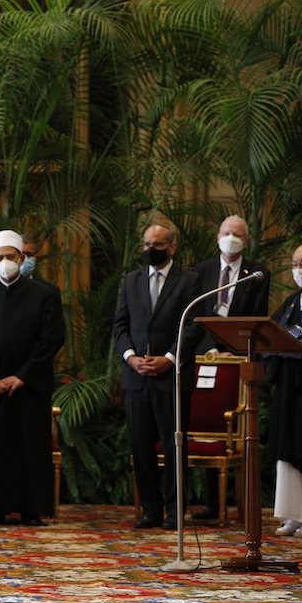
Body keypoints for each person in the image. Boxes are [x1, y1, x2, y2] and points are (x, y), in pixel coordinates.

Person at [0, 230, 65, 526]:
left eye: (11, 257)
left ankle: (30, 508)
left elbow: (53, 337)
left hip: (27, 387)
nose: (5, 262)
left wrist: (22, 376)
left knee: (28, 447)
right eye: (0, 257)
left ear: (22, 259)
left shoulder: (45, 293)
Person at [113, 224, 200, 530]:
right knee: (140, 444)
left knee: (174, 443)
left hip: (171, 377)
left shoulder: (190, 280)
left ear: (171, 247)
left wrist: (169, 359)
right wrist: (131, 357)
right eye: (147, 243)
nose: (151, 248)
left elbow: (193, 326)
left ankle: (175, 511)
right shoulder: (130, 280)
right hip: (137, 378)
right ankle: (150, 509)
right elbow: (120, 326)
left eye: (158, 244)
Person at [189, 215, 270, 521]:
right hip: (204, 358)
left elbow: (255, 317)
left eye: (237, 234)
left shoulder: (257, 273)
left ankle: (244, 505)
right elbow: (197, 313)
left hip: (237, 359)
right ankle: (212, 503)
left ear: (246, 241)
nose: (231, 237)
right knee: (209, 427)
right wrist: (208, 348)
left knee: (238, 431)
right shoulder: (201, 270)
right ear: (217, 236)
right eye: (226, 232)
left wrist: (228, 348)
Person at [268, 243, 302, 537]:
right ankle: (292, 515)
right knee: (287, 447)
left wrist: (300, 352)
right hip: (289, 385)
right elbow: (271, 331)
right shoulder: (289, 303)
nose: (299, 269)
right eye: (295, 263)